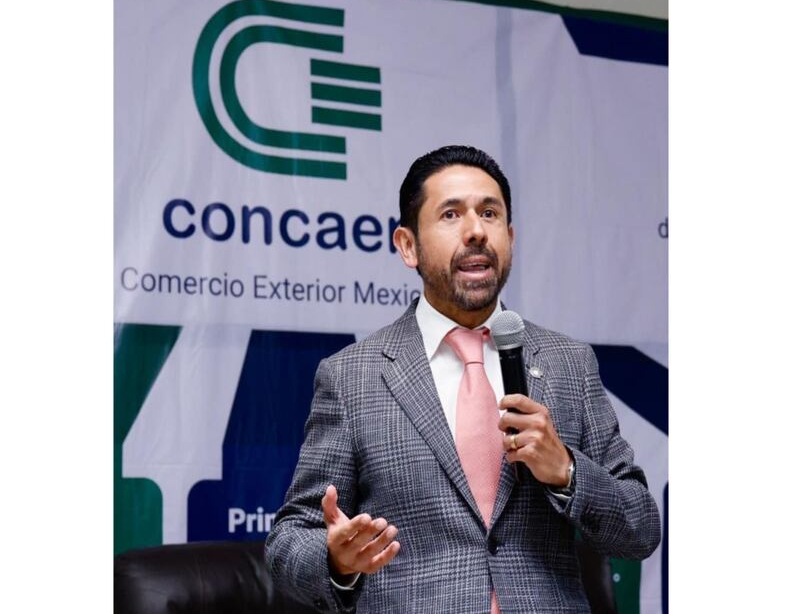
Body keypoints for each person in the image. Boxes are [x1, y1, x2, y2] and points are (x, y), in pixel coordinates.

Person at [265, 145, 661, 613]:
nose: (476, 231)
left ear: (510, 237)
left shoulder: (568, 364)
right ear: (408, 245)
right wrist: (335, 559)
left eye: (489, 213)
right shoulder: (353, 377)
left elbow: (640, 528)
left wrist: (567, 471)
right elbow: (289, 539)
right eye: (451, 214)